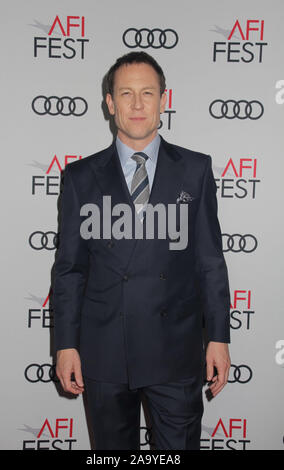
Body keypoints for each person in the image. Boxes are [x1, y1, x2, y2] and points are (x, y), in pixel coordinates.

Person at [52, 51, 231, 450]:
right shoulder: (80, 177)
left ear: (164, 101)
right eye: (126, 94)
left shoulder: (195, 169)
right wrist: (66, 344)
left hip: (175, 352)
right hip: (104, 354)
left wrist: (218, 336)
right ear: (110, 103)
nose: (137, 104)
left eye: (147, 93)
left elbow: (210, 262)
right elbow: (70, 269)